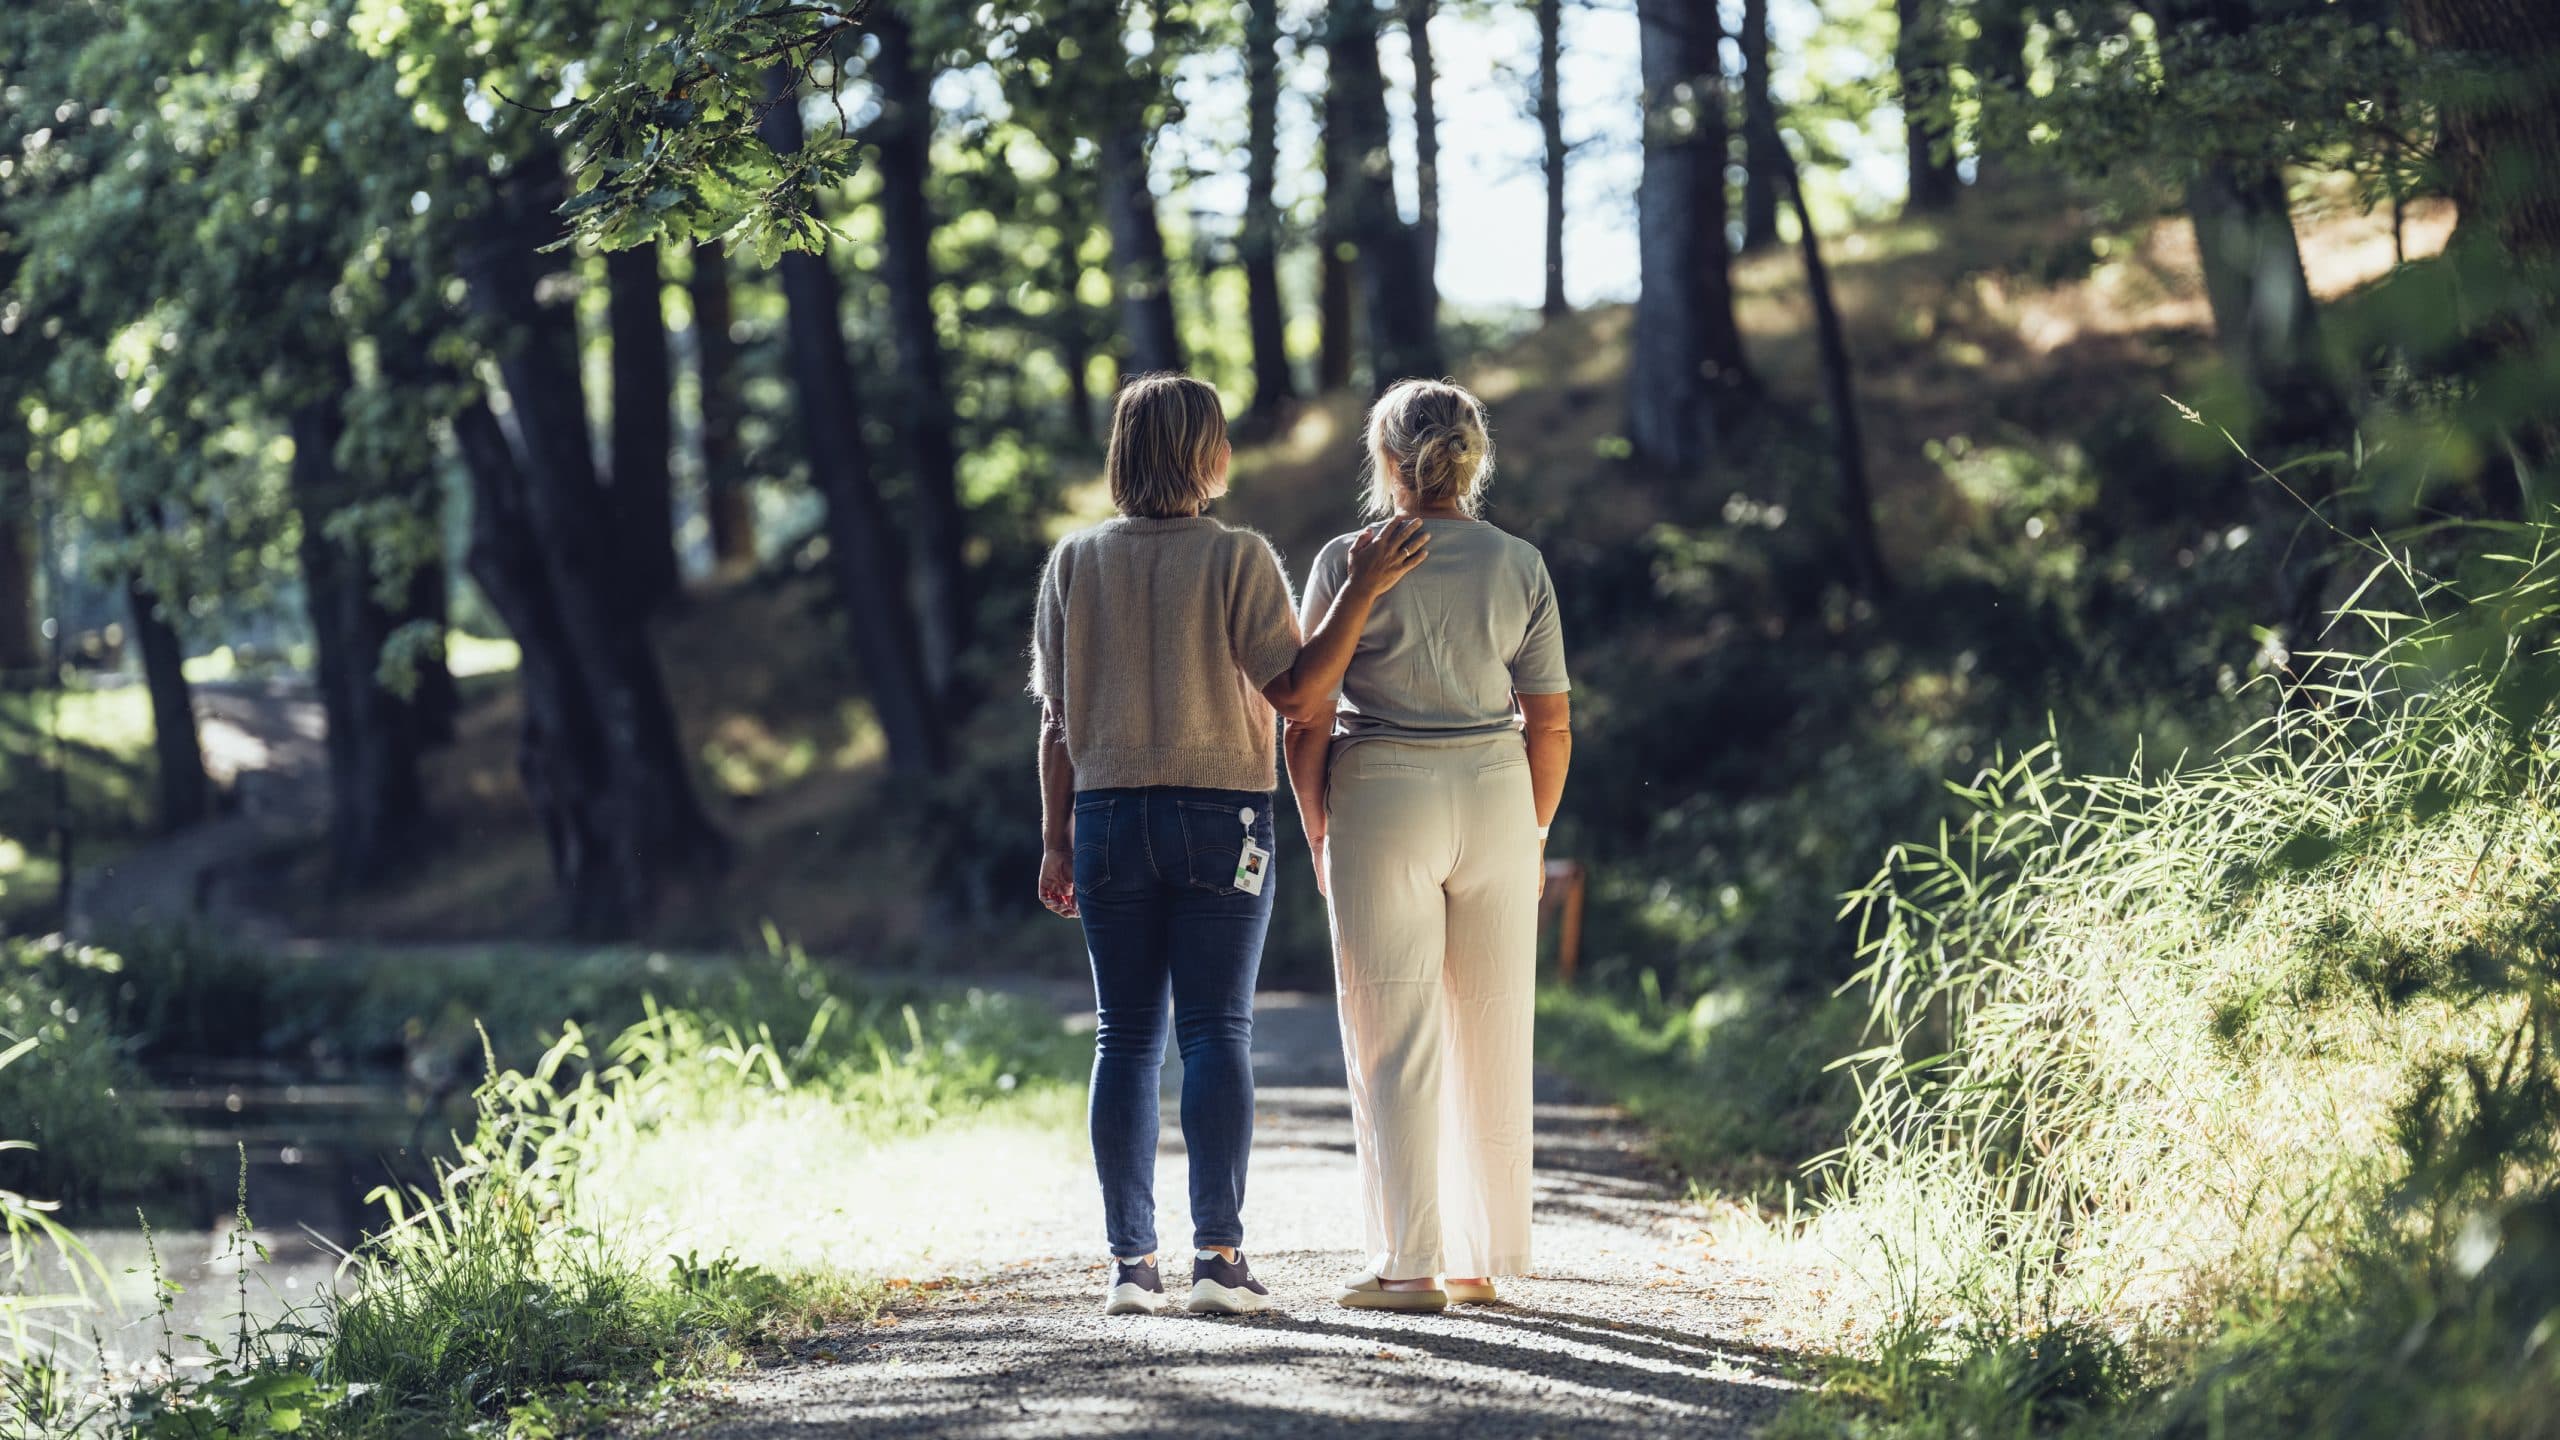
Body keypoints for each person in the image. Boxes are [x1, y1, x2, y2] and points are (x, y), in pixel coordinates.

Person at [1030, 373, 1430, 1316]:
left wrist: (1054, 841)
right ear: (1208, 455)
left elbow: (1055, 722)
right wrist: (1362, 587)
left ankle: (1131, 1269)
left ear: (1123, 454)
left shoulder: (1075, 561)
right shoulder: (1239, 556)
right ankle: (1218, 1259)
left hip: (1106, 817)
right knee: (1216, 1031)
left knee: (1124, 1036)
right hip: (1223, 821)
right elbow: (1297, 695)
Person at [1283, 377, 1573, 1313]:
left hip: (1382, 796)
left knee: (1392, 1032)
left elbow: (1306, 715)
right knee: (1493, 1023)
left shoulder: (1348, 559)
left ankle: (1408, 1266)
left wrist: (1318, 827)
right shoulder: (1519, 562)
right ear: (1474, 457)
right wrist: (1532, 830)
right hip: (1496, 795)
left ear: (1385, 458)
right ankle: (1479, 1261)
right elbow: (1551, 724)